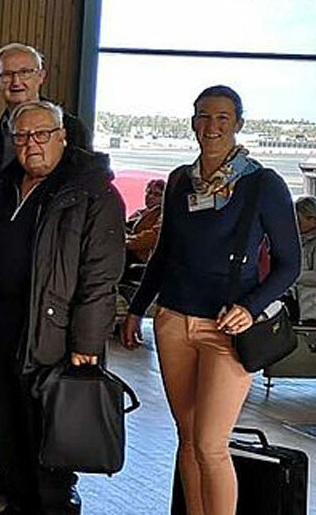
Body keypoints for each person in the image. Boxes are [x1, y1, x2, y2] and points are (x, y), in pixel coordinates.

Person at [121, 85, 301, 515]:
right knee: (187, 438)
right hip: (174, 321)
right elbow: (165, 251)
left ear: (238, 124)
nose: (212, 126)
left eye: (222, 118)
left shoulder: (263, 184)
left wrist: (251, 307)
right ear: (192, 122)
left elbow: (289, 263)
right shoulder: (182, 180)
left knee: (210, 444)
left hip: (227, 328)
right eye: (203, 116)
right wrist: (136, 307)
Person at [0, 101, 125, 515]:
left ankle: (52, 507)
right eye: (22, 136)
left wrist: (87, 341)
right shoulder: (5, 184)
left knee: (48, 433)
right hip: (2, 325)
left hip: (56, 332)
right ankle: (19, 503)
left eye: (42, 134)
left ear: (62, 136)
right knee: (6, 427)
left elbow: (101, 277)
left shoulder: (92, 192)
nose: (32, 144)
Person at [0, 43, 90, 181]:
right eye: (6, 75)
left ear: (41, 76)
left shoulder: (72, 129)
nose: (16, 82)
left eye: (24, 72)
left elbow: (84, 183)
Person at [126, 178, 165, 264]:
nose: (150, 196)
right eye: (149, 192)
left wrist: (127, 243)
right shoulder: (139, 213)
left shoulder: (163, 215)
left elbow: (153, 236)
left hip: (141, 258)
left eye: (157, 194)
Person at [294, 196, 316, 324]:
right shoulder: (303, 240)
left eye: (299, 219)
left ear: (312, 218)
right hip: (303, 307)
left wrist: (291, 276)